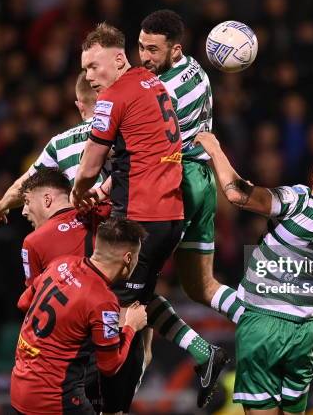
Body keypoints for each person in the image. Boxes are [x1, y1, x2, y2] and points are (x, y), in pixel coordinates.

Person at [72, 23, 228, 411]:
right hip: (166, 213)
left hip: (142, 219)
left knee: (118, 314)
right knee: (139, 299)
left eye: (94, 66)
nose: (89, 76)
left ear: (119, 58)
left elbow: (90, 164)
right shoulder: (153, 84)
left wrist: (79, 192)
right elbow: (141, 150)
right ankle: (203, 352)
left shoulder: (115, 98)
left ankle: (112, 404)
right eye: (85, 68)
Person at [195, 131, 313, 415]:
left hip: (262, 322)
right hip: (303, 330)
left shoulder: (298, 199)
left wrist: (215, 150)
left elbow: (237, 193)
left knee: (202, 287)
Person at [138, 10, 246, 328]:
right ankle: (260, 320)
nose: (144, 56)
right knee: (202, 286)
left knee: (131, 284)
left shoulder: (162, 93)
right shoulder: (195, 68)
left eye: (152, 50)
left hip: (178, 182)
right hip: (203, 182)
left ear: (175, 49)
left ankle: (193, 351)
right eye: (141, 47)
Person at [10, 217, 148, 415]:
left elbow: (23, 302)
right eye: (137, 256)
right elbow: (110, 365)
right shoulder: (103, 300)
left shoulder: (59, 263)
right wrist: (131, 326)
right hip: (54, 399)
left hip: (19, 385)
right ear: (128, 258)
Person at [0, 71, 106, 225]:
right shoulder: (119, 129)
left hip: (87, 227)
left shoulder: (59, 143)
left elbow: (24, 186)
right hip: (124, 219)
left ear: (79, 105)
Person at [19, 168, 110, 285]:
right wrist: (102, 192)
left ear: (47, 200)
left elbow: (34, 296)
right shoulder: (100, 212)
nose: (24, 211)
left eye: (27, 202)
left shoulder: (33, 242)